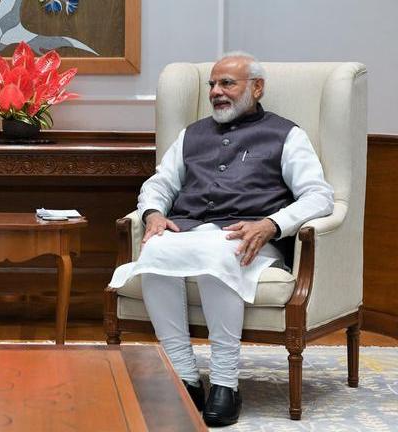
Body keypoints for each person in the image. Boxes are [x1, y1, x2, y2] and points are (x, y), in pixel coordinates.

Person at [108, 52, 334, 427]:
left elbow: (319, 195)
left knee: (219, 254)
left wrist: (271, 224)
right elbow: (160, 183)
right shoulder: (191, 134)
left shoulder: (286, 135)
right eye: (213, 84)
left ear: (257, 88)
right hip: (190, 229)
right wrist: (153, 214)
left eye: (227, 83)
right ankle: (184, 376)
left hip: (250, 241)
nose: (216, 91)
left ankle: (226, 383)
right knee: (156, 250)